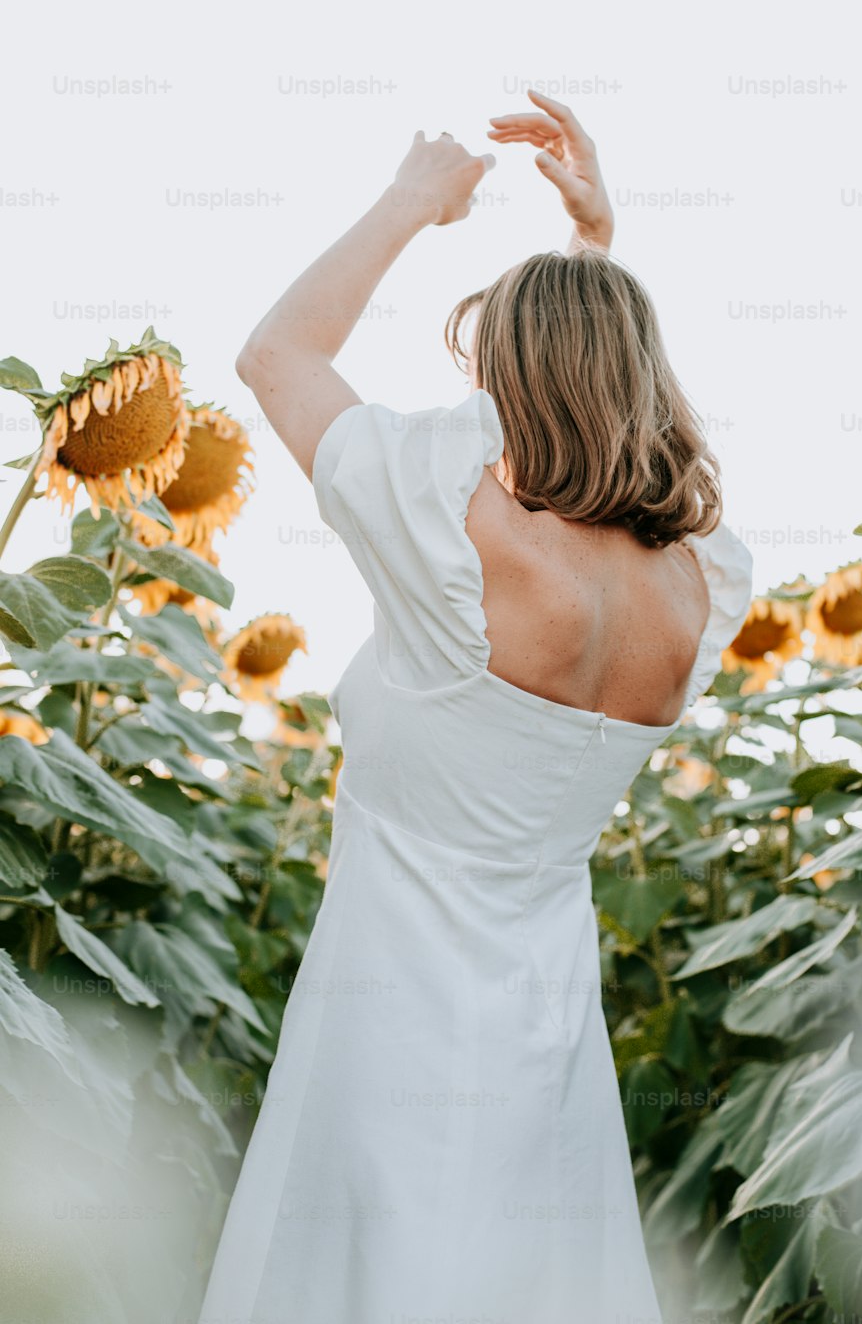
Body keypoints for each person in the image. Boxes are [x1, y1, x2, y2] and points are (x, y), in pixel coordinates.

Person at [197, 91, 753, 1324]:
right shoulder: (695, 587)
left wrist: (416, 201)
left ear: (502, 377)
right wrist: (594, 252)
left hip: (387, 1034)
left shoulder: (452, 536)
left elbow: (276, 355)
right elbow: (598, 399)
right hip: (546, 1042)